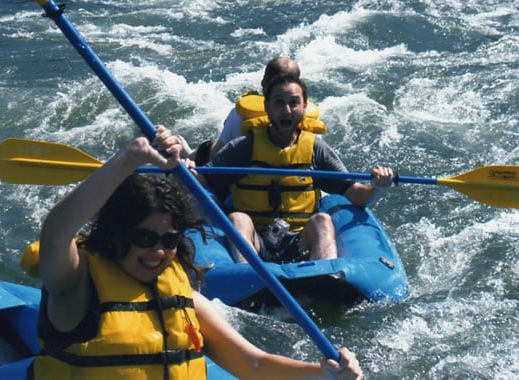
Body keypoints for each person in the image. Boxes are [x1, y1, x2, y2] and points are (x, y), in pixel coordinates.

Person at [32, 125, 363, 379]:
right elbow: (56, 233)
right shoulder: (77, 285)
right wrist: (130, 157)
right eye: (145, 238)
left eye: (169, 239)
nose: (159, 251)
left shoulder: (181, 292)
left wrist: (325, 372)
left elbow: (254, 364)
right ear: (117, 233)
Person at [190, 75, 394, 264]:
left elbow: (354, 193)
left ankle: (323, 278)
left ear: (304, 107)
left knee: (322, 220)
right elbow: (205, 181)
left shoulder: (316, 149)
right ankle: (249, 282)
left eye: (294, 103)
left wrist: (378, 187)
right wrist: (187, 170)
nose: (287, 110)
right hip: (256, 239)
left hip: (299, 241)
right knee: (238, 219)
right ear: (267, 107)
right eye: (279, 102)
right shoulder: (243, 147)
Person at [180, 56, 322, 165]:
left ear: (263, 83)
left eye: (291, 102)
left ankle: (189, 156)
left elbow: (217, 154)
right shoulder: (308, 119)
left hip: (248, 190)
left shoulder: (240, 114)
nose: (286, 110)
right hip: (293, 190)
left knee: (212, 147)